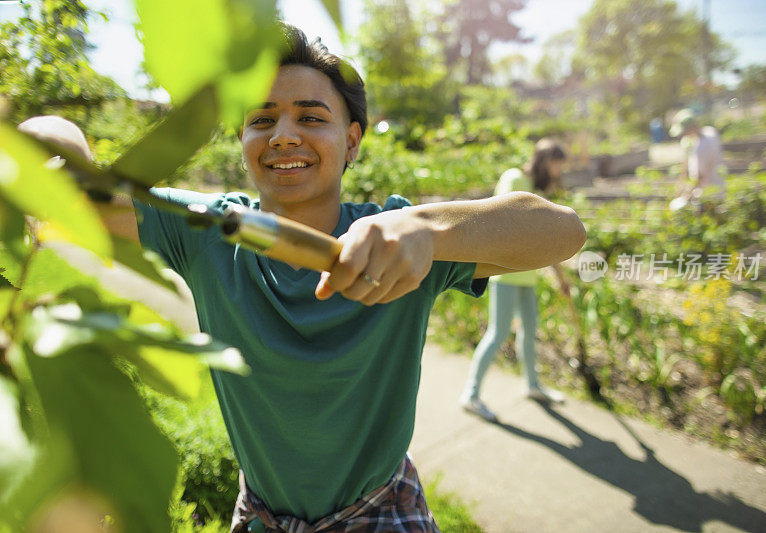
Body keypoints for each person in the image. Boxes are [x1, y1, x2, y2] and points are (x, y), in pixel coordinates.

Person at [20, 25, 586, 532]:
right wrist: (61, 146)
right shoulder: (206, 228)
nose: (283, 135)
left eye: (312, 118)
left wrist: (428, 228)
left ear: (353, 140)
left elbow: (563, 232)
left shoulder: (400, 241)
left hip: (382, 510)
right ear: (242, 143)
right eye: (261, 120)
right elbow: (66, 186)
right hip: (261, 514)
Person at [460, 139, 569, 422]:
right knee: (497, 333)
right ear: (545, 160)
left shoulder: (536, 190)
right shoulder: (514, 178)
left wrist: (561, 277)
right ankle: (471, 395)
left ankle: (532, 385)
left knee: (530, 331)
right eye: (556, 165)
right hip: (505, 273)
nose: (557, 172)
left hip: (528, 277)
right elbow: (505, 221)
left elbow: (546, 238)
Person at [669, 108, 725, 210]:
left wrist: (685, 194)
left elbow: (700, 177)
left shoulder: (700, 149)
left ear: (691, 128)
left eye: (685, 132)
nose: (683, 135)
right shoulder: (710, 132)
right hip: (719, 187)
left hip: (706, 194)